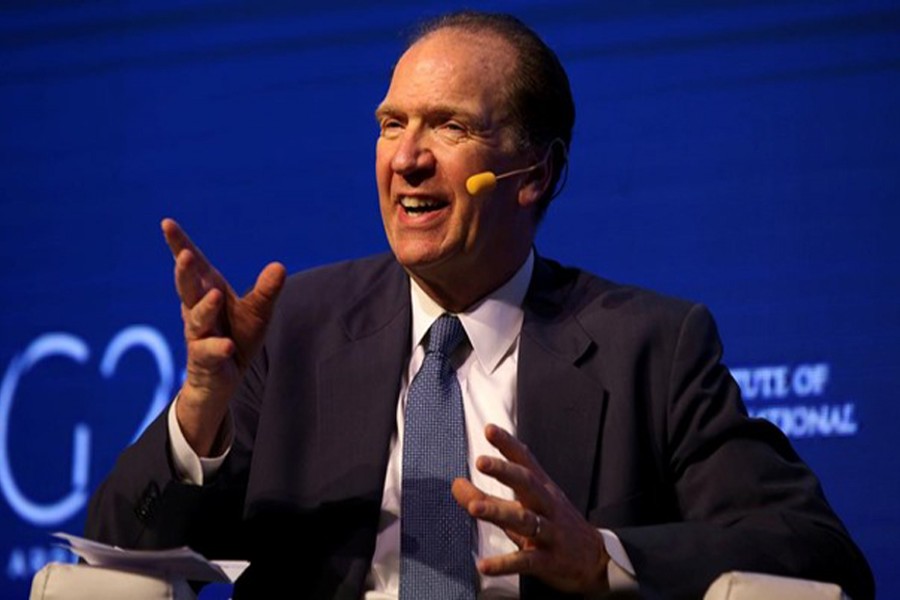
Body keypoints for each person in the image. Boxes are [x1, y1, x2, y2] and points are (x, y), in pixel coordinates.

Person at [85, 11, 874, 600]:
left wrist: (602, 558)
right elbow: (117, 554)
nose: (407, 159)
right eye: (391, 125)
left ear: (534, 174)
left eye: (449, 126)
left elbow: (817, 553)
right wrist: (201, 407)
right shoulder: (296, 331)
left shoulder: (651, 349)